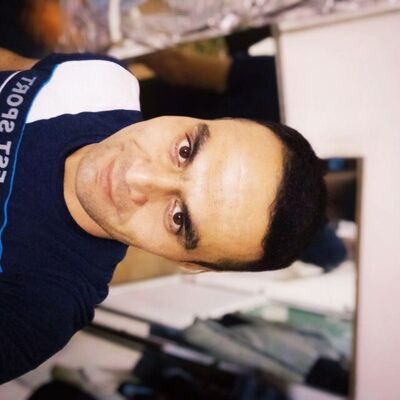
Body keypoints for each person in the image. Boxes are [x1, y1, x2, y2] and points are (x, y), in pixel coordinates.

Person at [0, 46, 326, 383]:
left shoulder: (37, 310)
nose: (136, 177)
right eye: (185, 151)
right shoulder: (102, 82)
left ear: (190, 262)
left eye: (178, 219)